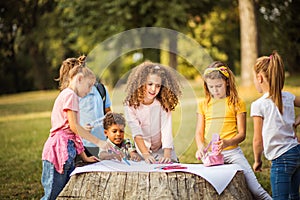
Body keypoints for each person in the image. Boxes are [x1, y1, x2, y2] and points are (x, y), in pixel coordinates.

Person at [195, 61, 271, 199]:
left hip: (232, 152)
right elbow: (199, 133)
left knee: (256, 189)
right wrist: (201, 147)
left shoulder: (237, 103)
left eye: (218, 86)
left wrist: (226, 143)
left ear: (227, 82)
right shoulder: (203, 104)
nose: (215, 90)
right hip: (211, 156)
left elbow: (242, 134)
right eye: (211, 87)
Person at [41, 62, 108, 200]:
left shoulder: (70, 95)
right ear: (79, 79)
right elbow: (74, 127)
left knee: (65, 193)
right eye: (89, 86)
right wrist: (98, 142)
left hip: (66, 151)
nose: (90, 90)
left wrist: (84, 157)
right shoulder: (70, 95)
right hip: (59, 152)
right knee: (53, 195)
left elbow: (73, 133)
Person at [251, 51, 300, 200]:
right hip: (296, 153)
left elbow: (257, 140)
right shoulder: (289, 97)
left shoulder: (258, 105)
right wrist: (297, 121)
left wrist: (257, 161)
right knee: (294, 196)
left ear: (259, 78)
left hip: (280, 159)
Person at [124, 61, 182, 164]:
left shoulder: (163, 103)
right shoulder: (130, 105)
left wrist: (167, 155)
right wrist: (146, 154)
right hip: (143, 151)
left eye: (158, 85)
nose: (153, 89)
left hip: (163, 150)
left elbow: (166, 129)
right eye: (150, 84)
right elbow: (136, 133)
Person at [56, 55, 112, 158]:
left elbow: (108, 112)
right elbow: (72, 125)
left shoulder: (100, 89)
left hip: (98, 144)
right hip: (80, 145)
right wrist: (82, 129)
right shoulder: (70, 95)